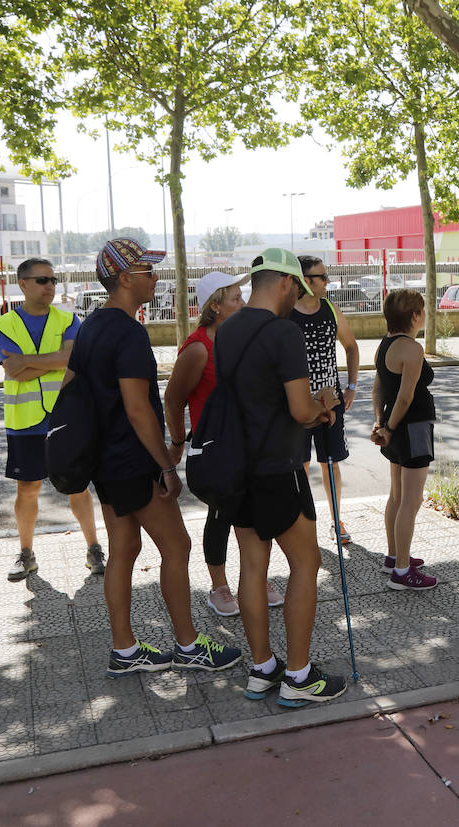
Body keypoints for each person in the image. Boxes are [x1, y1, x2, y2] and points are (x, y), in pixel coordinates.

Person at [67, 238, 240, 677]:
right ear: (125, 279)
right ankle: (187, 645)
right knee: (177, 545)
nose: (155, 278)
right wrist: (166, 464)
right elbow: (138, 407)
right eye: (147, 271)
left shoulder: (89, 326)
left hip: (103, 461)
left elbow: (71, 387)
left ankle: (124, 650)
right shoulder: (127, 331)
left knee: (123, 548)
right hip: (131, 460)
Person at [215, 248, 347, 706]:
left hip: (238, 467)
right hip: (279, 467)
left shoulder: (227, 329)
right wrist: (325, 404)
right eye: (300, 288)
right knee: (306, 564)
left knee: (252, 565)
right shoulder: (283, 332)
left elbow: (255, 396)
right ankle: (299, 676)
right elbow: (298, 408)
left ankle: (262, 669)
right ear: (287, 283)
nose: (300, 297)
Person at [163, 270, 284, 616]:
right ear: (214, 306)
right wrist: (176, 443)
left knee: (259, 515)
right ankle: (219, 588)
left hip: (253, 448)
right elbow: (173, 400)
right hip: (217, 451)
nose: (243, 302)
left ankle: (257, 580)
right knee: (222, 516)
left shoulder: (245, 338)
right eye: (235, 297)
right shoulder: (199, 348)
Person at [0, 258, 105, 582]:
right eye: (42, 280)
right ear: (23, 284)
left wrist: (28, 362)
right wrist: (52, 362)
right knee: (28, 489)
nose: (49, 285)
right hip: (25, 421)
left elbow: (70, 359)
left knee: (77, 486)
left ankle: (94, 548)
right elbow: (13, 370)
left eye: (52, 279)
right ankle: (26, 553)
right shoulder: (5, 325)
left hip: (65, 417)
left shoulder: (68, 319)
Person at [369, 289, 437, 590]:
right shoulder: (412, 349)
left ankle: (395, 556)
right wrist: (391, 428)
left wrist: (382, 424)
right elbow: (407, 396)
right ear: (414, 316)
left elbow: (377, 391)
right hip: (412, 429)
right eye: (421, 310)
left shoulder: (384, 346)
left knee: (397, 496)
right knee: (411, 500)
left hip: (395, 430)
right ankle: (401, 571)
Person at [293, 255, 360, 546]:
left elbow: (352, 346)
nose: (328, 281)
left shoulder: (330, 308)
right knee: (301, 466)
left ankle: (336, 521)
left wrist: (352, 386)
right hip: (296, 405)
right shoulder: (284, 313)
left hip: (330, 402)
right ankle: (302, 523)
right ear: (305, 280)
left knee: (330, 463)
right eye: (322, 276)